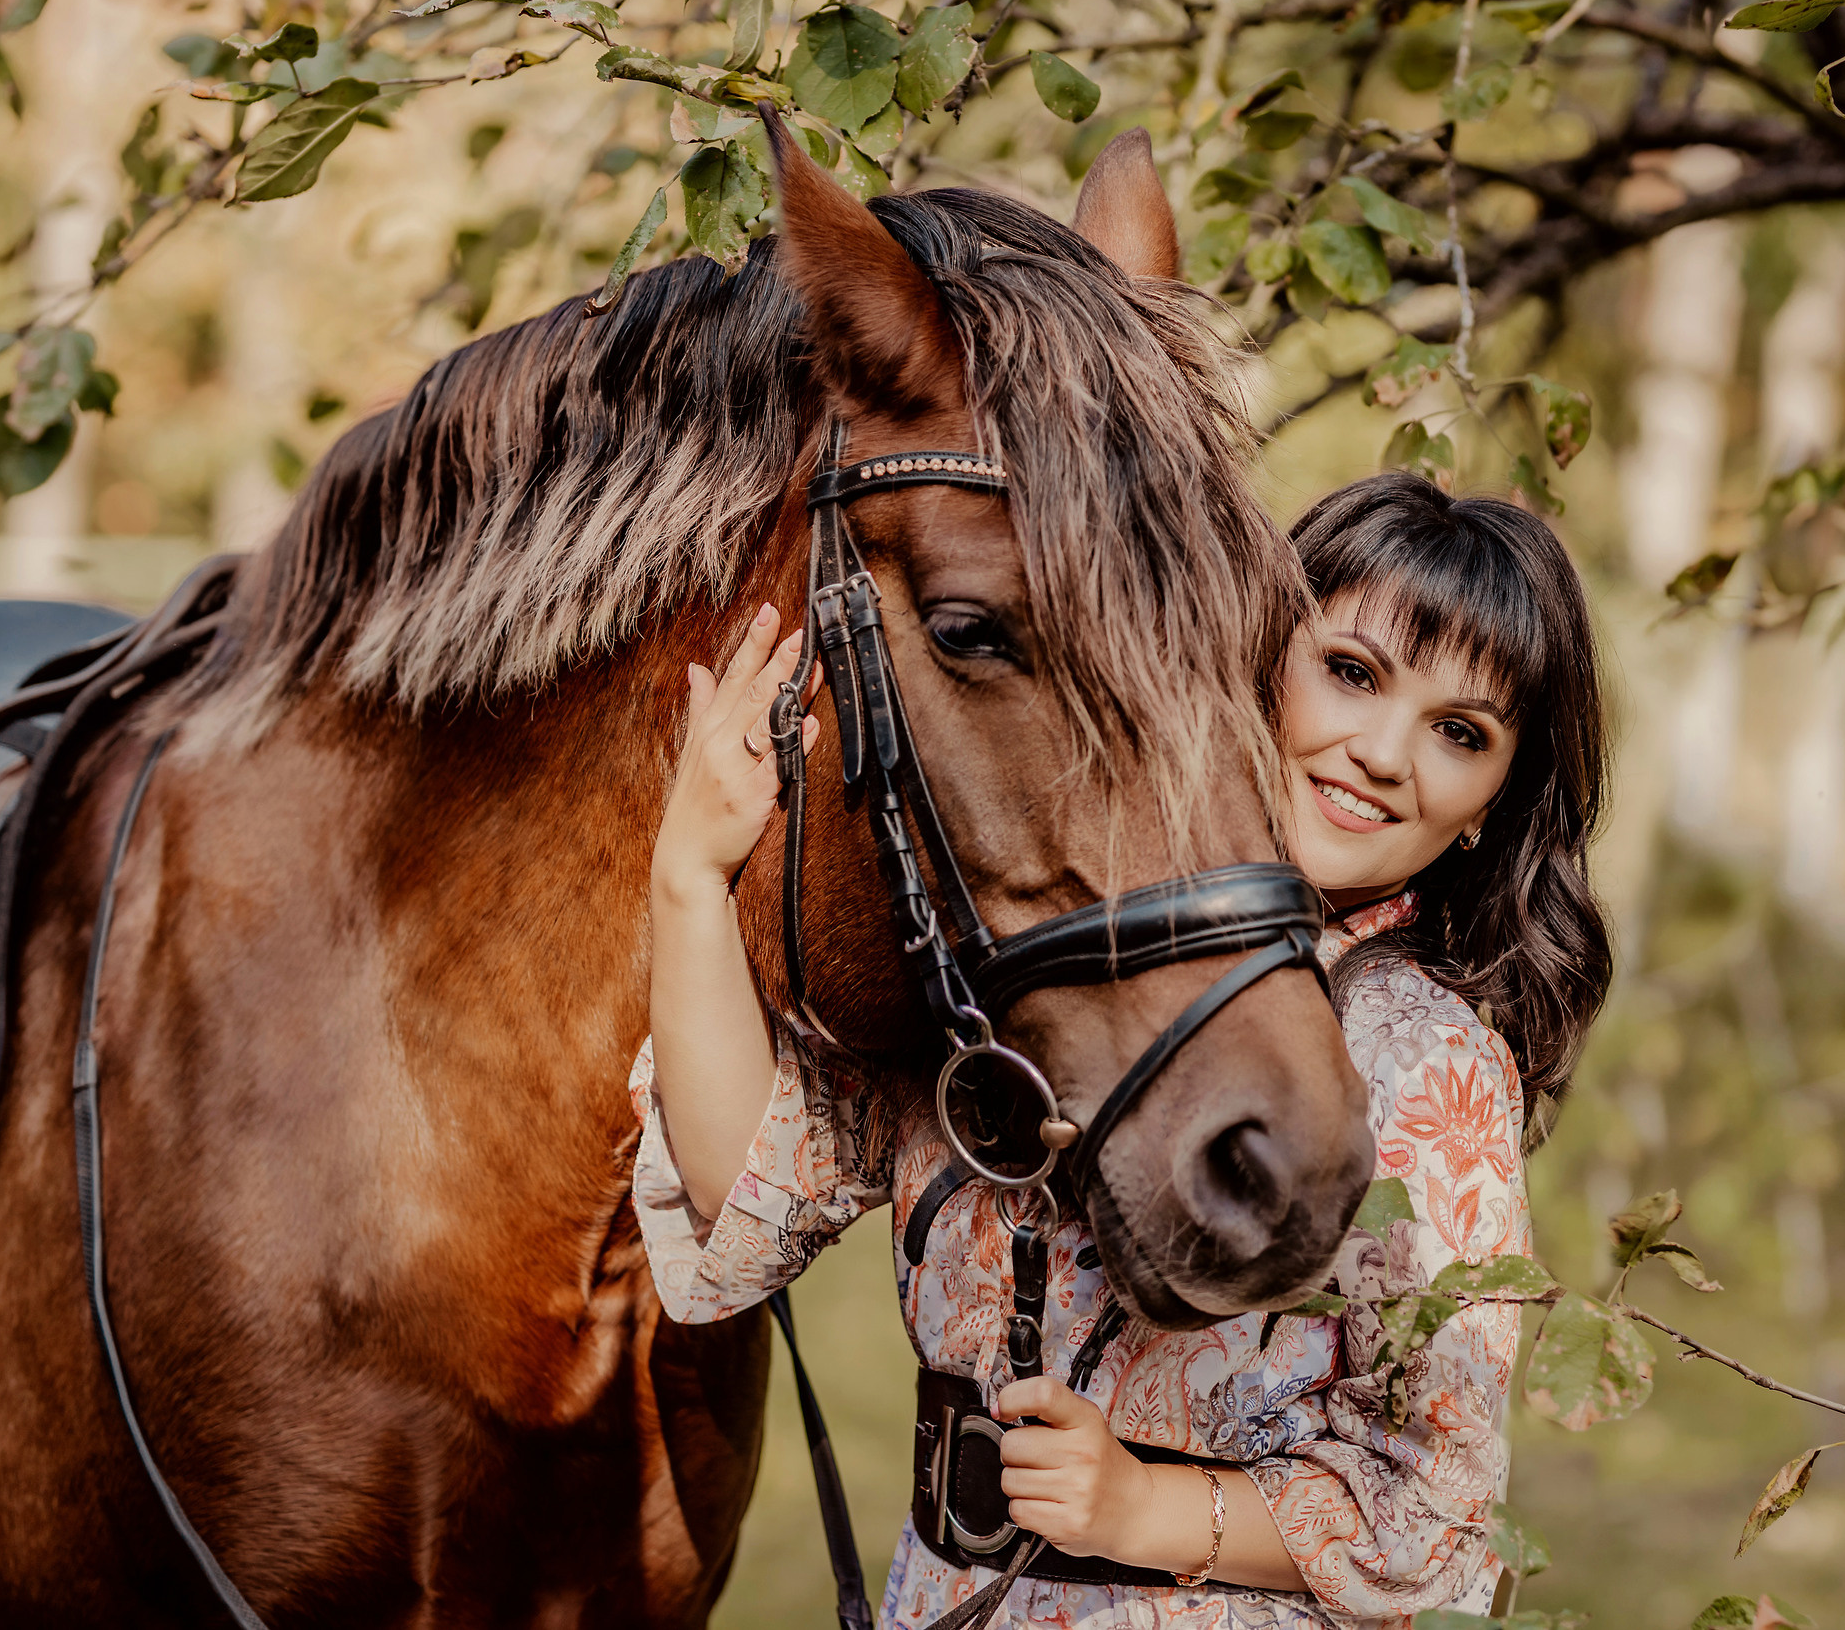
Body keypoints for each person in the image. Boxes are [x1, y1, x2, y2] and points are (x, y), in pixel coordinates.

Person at [631, 472, 1612, 1627]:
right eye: (1351, 673)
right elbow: (744, 1179)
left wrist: (1140, 1508)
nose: (1384, 753)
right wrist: (689, 875)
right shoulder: (1046, 941)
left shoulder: (1421, 1062)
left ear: (1492, 801)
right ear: (1252, 657)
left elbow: (1435, 1509)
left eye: (1459, 732)